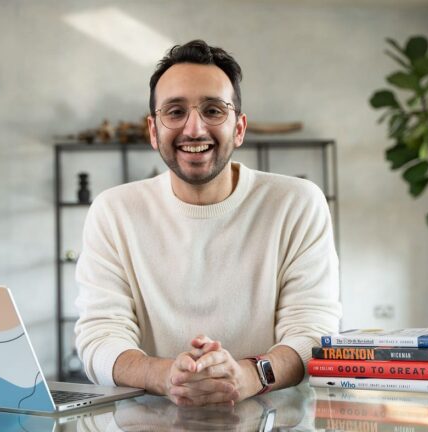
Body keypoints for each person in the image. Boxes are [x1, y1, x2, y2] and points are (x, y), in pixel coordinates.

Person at [74, 40, 341, 407]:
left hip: (275, 418)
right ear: (153, 130)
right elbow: (99, 337)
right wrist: (165, 376)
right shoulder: (113, 211)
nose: (194, 129)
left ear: (239, 128)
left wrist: (249, 375)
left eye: (213, 110)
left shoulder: (297, 203)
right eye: (175, 112)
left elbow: (313, 334)